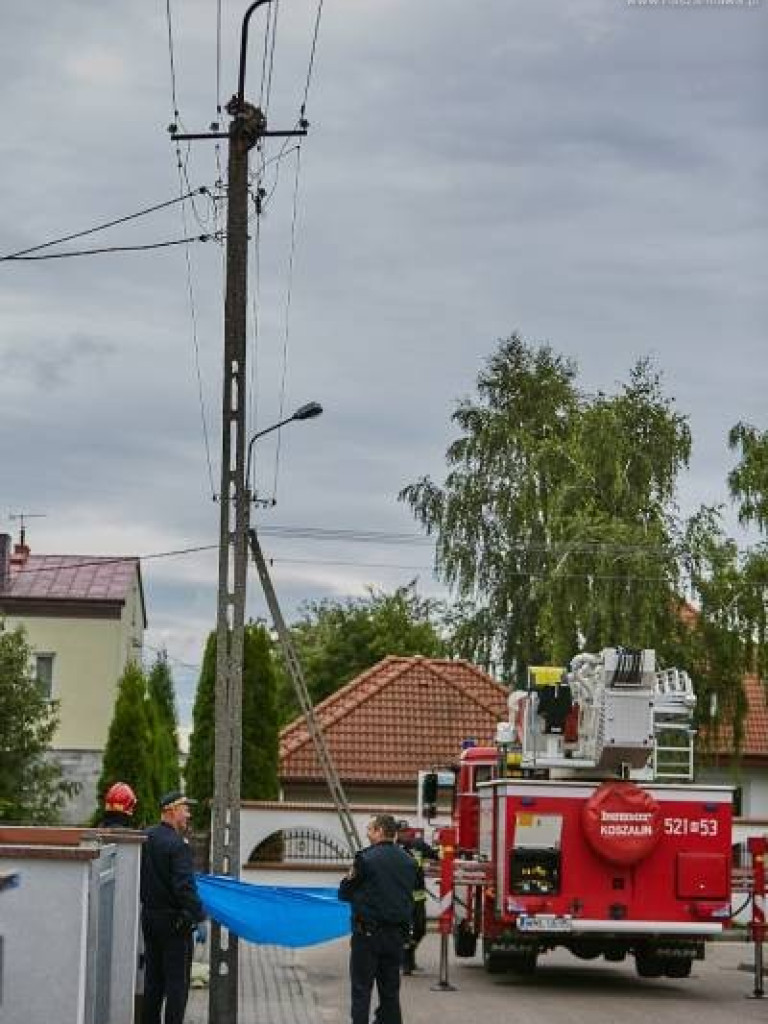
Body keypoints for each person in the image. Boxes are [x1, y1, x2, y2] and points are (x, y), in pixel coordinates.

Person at [338, 813, 417, 1024]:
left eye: (370, 829)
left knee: (361, 990)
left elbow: (344, 892)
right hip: (396, 936)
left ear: (380, 831)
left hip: (368, 936)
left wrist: (349, 880)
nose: (367, 833)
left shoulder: (365, 859)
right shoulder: (409, 861)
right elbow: (412, 894)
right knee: (390, 991)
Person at [140, 790, 205, 1024]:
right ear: (172, 811)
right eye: (185, 809)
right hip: (175, 924)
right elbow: (184, 887)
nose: (188, 815)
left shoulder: (146, 837)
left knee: (153, 981)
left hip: (149, 918)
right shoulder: (178, 846)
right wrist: (199, 915)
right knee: (177, 986)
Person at [396, 821, 439, 974]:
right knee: (404, 931)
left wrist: (444, 849)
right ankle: (406, 962)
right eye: (401, 831)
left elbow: (437, 855)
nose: (405, 834)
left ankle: (408, 955)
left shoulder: (418, 845)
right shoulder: (392, 848)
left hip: (418, 895)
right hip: (400, 897)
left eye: (407, 831)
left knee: (420, 929)